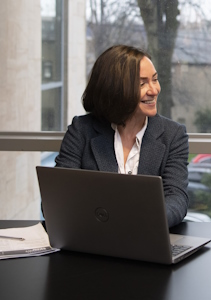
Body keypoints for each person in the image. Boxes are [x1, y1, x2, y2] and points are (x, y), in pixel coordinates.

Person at [54, 45, 189, 227]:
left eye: (154, 80)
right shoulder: (81, 130)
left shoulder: (173, 135)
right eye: (142, 84)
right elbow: (57, 199)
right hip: (92, 238)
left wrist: (140, 222)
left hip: (148, 238)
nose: (154, 90)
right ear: (115, 89)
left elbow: (177, 199)